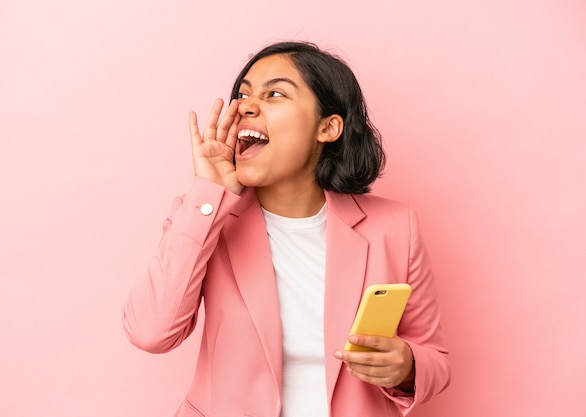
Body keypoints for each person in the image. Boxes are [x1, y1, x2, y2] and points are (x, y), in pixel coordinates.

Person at [122, 41, 450, 417]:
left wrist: (406, 366)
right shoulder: (203, 215)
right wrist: (209, 193)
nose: (245, 105)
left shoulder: (394, 227)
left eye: (274, 93)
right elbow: (150, 332)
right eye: (242, 94)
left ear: (327, 128)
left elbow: (435, 360)